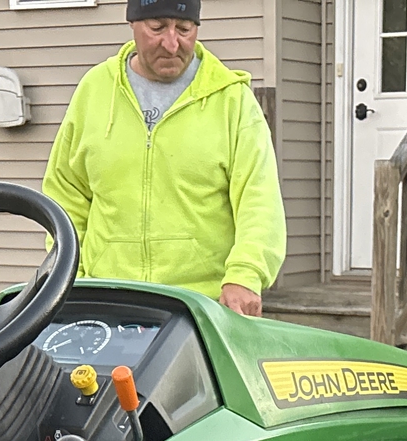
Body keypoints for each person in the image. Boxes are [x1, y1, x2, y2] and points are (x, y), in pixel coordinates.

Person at [43, 0, 284, 316]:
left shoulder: (232, 101)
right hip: (107, 301)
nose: (172, 44)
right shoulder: (95, 90)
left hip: (201, 309)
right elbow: (66, 195)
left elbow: (259, 199)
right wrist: (71, 273)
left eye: (184, 29)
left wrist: (245, 275)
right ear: (132, 24)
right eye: (157, 28)